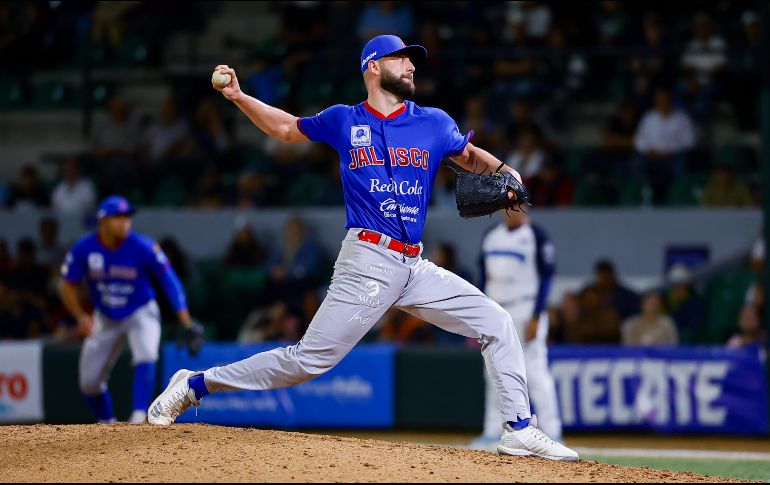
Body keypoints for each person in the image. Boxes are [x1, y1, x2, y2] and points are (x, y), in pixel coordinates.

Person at [148, 34, 578, 461]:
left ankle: (519, 428)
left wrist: (505, 170)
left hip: (414, 265)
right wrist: (240, 97)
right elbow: (285, 128)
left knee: (498, 322)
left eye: (411, 60)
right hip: (367, 260)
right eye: (400, 59)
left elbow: (467, 156)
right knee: (307, 362)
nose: (410, 66)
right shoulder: (345, 120)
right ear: (373, 66)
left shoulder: (432, 121)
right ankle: (195, 384)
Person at [58, 195, 203, 425]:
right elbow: (66, 285)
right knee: (89, 382)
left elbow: (169, 279)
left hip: (140, 310)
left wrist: (185, 319)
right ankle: (107, 423)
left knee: (147, 354)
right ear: (103, 221)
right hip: (105, 315)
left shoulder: (142, 245)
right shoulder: (85, 248)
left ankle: (138, 416)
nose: (125, 222)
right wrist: (79, 316)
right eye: (118, 217)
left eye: (127, 217)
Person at [469, 208, 563, 450]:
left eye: (515, 206)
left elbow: (547, 277)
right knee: (493, 371)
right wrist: (479, 310)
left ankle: (553, 431)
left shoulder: (536, 235)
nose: (510, 212)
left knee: (535, 372)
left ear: (524, 207)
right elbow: (483, 276)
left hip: (525, 310)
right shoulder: (492, 235)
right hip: (496, 310)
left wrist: (537, 315)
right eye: (506, 207)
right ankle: (491, 432)